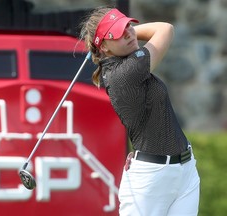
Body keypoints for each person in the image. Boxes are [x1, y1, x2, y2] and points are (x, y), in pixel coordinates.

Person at [79, 7, 200, 216]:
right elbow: (165, 29)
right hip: (151, 181)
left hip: (185, 171)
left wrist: (105, 39)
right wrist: (98, 42)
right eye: (117, 34)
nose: (128, 33)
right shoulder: (126, 73)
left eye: (128, 26)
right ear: (105, 48)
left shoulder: (125, 63)